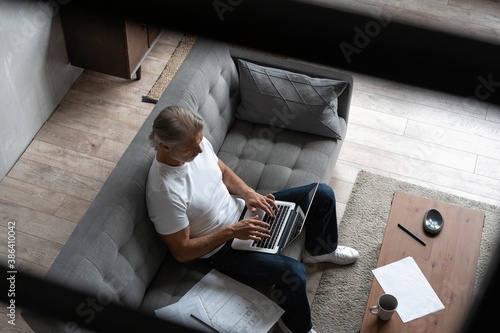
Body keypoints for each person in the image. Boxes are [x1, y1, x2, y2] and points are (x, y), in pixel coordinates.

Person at [146, 105, 359, 333]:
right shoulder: (163, 192)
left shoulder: (196, 144)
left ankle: (319, 252)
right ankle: (296, 327)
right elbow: (182, 251)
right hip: (223, 249)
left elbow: (224, 171)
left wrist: (248, 193)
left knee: (322, 194)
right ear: (166, 147)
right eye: (191, 148)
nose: (200, 149)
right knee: (293, 274)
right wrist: (233, 231)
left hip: (244, 213)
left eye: (200, 140)